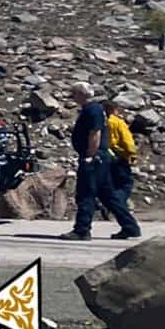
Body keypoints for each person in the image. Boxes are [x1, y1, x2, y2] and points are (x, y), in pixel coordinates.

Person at [61, 82, 137, 240]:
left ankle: (82, 230)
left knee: (85, 193)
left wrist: (90, 155)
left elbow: (95, 133)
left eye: (74, 93)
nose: (72, 97)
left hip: (95, 158)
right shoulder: (95, 109)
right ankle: (130, 227)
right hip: (101, 158)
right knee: (108, 195)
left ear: (82, 94)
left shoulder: (92, 110)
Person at [99, 93, 144, 241]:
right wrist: (132, 155)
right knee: (125, 184)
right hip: (119, 158)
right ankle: (118, 207)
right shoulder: (117, 122)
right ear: (114, 110)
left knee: (112, 187)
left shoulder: (100, 122)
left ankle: (116, 207)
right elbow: (128, 141)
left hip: (105, 158)